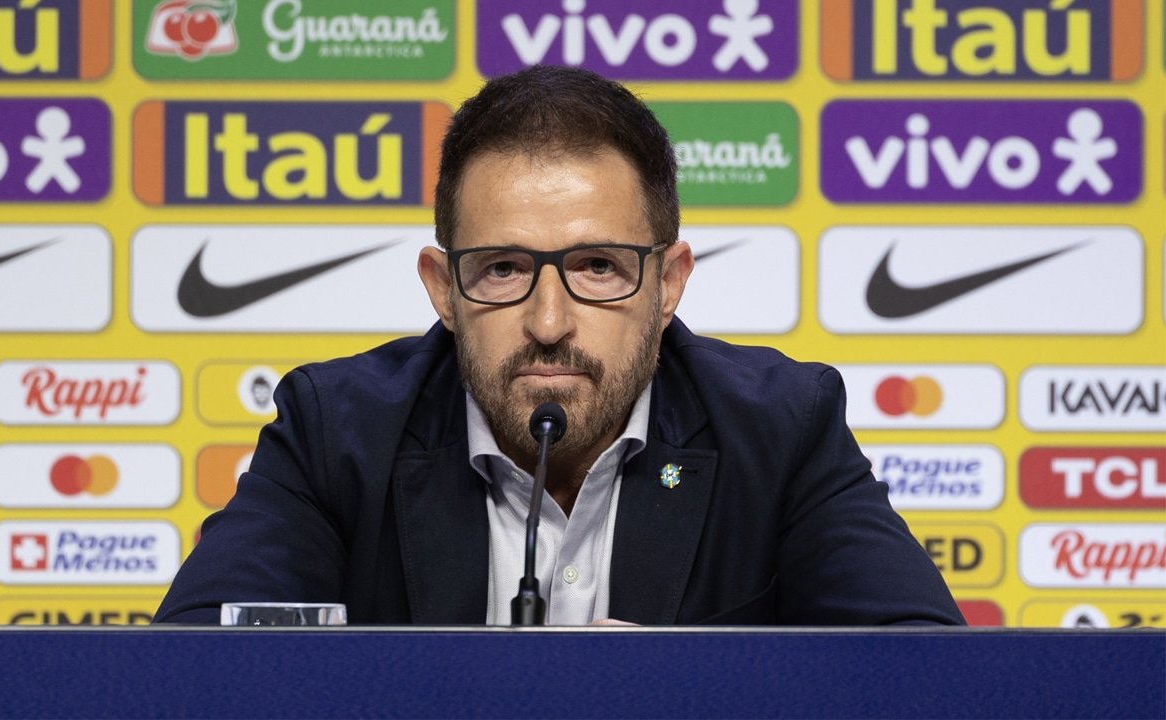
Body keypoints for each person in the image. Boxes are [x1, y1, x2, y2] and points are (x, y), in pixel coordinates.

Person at [154, 66, 964, 626]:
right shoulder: (337, 433)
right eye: (503, 268)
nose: (549, 320)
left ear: (669, 282)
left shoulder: (780, 429)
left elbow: (925, 676)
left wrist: (688, 693)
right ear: (443, 288)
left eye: (598, 267)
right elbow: (197, 670)